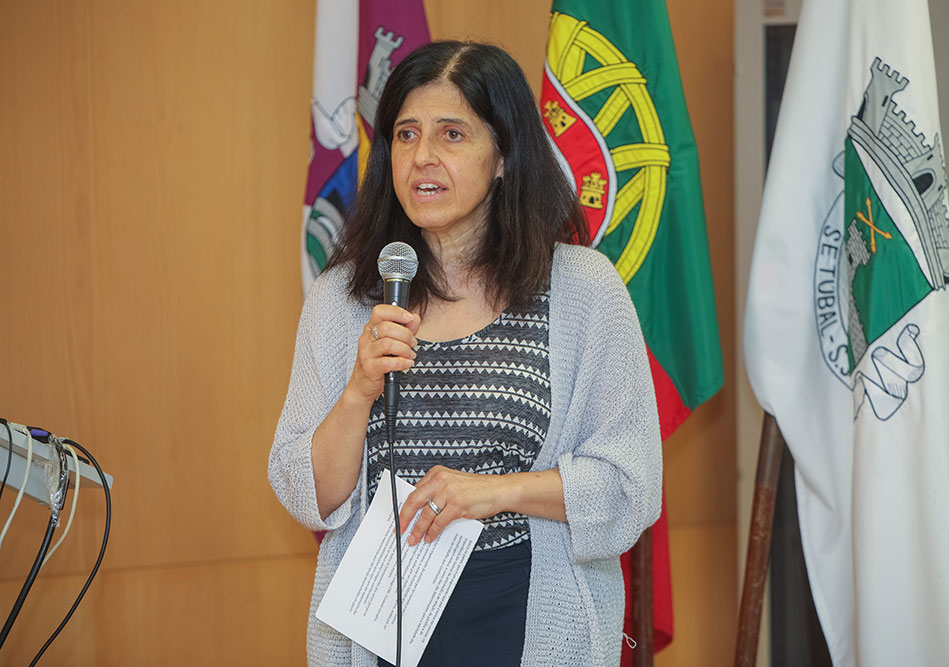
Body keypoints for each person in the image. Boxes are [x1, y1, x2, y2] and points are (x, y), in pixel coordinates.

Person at [269, 40, 662, 667]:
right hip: (382, 620)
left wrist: (494, 492)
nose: (422, 157)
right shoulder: (344, 299)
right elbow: (302, 492)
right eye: (404, 135)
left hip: (524, 612)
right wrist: (357, 393)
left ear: (503, 155)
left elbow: (628, 488)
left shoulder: (583, 291)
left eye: (452, 134)